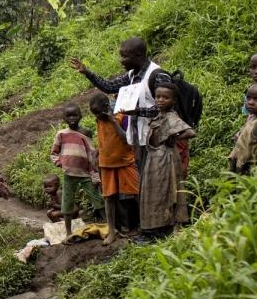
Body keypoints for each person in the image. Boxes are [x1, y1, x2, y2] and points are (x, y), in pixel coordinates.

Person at [70, 37, 173, 158]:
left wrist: (138, 111)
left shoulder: (158, 75)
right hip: (140, 139)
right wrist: (87, 72)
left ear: (138, 56)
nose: (121, 61)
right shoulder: (132, 75)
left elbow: (166, 109)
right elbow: (109, 86)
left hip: (158, 140)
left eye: (125, 57)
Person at [140, 84, 195, 239]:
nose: (160, 100)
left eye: (165, 97)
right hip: (154, 157)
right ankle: (155, 227)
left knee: (165, 192)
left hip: (165, 157)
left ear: (173, 100)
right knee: (156, 191)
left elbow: (190, 132)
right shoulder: (159, 115)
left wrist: (171, 137)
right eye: (158, 97)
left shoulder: (171, 117)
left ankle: (164, 227)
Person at [89, 92, 140, 242]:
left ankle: (143, 226)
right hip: (106, 164)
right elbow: (105, 138)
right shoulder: (99, 120)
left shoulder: (123, 116)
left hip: (125, 161)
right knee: (109, 197)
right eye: (94, 114)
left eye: (99, 112)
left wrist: (113, 121)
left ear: (106, 107)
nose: (97, 116)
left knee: (137, 194)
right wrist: (97, 152)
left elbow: (127, 138)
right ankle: (112, 231)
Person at [50, 102, 102, 234]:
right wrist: (60, 163)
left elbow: (91, 153)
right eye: (69, 116)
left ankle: (106, 225)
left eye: (75, 115)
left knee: (98, 200)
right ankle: (68, 232)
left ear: (80, 116)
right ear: (64, 118)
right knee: (66, 204)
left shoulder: (86, 133)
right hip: (69, 174)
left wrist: (95, 173)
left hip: (85, 174)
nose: (72, 118)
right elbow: (54, 153)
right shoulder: (61, 134)